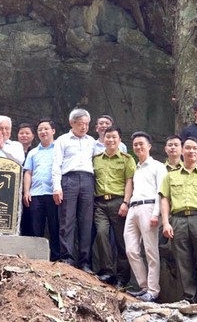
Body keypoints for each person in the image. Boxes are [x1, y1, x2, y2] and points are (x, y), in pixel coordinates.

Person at [159, 137, 197, 303]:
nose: (191, 151)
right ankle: (189, 298)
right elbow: (165, 200)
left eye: (195, 148)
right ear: (182, 151)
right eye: (188, 148)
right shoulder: (170, 176)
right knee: (182, 261)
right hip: (178, 220)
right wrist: (166, 222)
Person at [124, 131, 167, 302]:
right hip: (133, 208)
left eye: (141, 143)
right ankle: (143, 286)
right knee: (131, 249)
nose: (138, 147)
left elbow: (161, 192)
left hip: (149, 207)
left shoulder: (158, 166)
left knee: (150, 250)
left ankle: (153, 290)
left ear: (149, 146)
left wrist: (156, 213)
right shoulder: (136, 167)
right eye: (135, 144)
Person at [52, 108, 96, 272]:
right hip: (68, 179)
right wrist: (57, 187)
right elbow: (56, 164)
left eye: (86, 124)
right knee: (67, 220)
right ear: (72, 123)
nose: (84, 127)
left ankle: (85, 262)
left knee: (86, 222)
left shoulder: (92, 141)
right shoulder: (62, 140)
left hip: (87, 180)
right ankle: (67, 259)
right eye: (80, 124)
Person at [92, 125, 134, 286]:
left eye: (114, 137)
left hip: (119, 202)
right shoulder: (96, 159)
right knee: (102, 234)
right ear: (103, 139)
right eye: (107, 137)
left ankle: (123, 277)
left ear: (119, 140)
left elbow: (129, 182)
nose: (110, 140)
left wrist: (126, 202)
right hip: (100, 203)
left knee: (121, 240)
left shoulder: (126, 159)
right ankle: (107, 271)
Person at [23, 118, 60, 261]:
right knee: (36, 227)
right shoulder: (33, 152)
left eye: (46, 129)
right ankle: (37, 258)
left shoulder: (59, 149)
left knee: (55, 227)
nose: (43, 132)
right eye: (40, 130)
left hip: (53, 194)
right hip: (36, 194)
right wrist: (26, 191)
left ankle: (56, 258)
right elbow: (28, 172)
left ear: (53, 131)